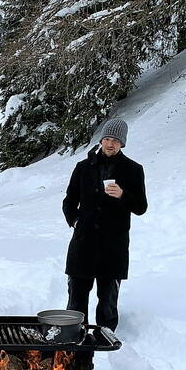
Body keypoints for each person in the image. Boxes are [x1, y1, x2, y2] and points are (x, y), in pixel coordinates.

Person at [62, 118, 148, 331]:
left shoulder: (133, 170)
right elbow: (69, 201)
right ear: (101, 140)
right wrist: (74, 221)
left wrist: (123, 195)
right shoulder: (83, 168)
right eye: (107, 139)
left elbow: (141, 207)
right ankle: (75, 340)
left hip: (113, 246)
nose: (110, 144)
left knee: (108, 302)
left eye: (116, 141)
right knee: (76, 300)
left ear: (122, 144)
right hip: (83, 243)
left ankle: (106, 340)